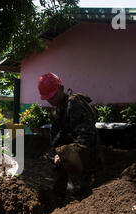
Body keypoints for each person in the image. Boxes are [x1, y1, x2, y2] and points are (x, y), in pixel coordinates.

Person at [38, 73, 101, 203]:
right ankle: (58, 201)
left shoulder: (74, 105)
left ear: (61, 88)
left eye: (53, 96)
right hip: (71, 153)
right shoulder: (57, 111)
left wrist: (66, 153)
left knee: (84, 193)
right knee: (57, 177)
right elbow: (56, 136)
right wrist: (55, 153)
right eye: (48, 98)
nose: (51, 100)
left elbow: (87, 136)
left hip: (87, 155)